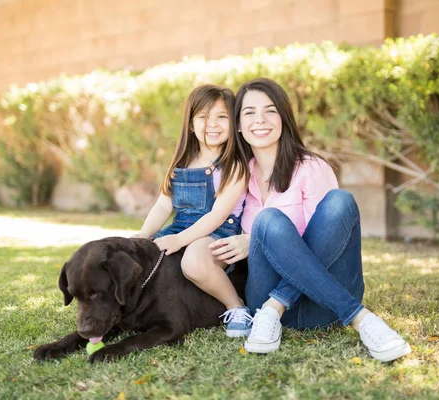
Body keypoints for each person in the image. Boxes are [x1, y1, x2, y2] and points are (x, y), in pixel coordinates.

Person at [208, 78, 411, 362]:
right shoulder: (239, 175)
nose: (260, 120)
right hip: (262, 299)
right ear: (239, 125)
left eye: (270, 110)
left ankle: (339, 315)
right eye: (249, 112)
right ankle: (360, 317)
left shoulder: (312, 168)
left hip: (320, 305)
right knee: (268, 221)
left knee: (340, 201)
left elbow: (327, 241)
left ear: (283, 118)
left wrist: (254, 240)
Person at [132, 84, 252, 337]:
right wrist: (143, 235)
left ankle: (236, 306)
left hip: (217, 232)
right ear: (190, 124)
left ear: (234, 123)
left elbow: (217, 215)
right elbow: (164, 204)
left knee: (194, 262)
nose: (213, 124)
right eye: (203, 117)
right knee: (136, 259)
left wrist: (180, 240)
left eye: (222, 116)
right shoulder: (182, 163)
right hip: (179, 228)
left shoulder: (235, 166)